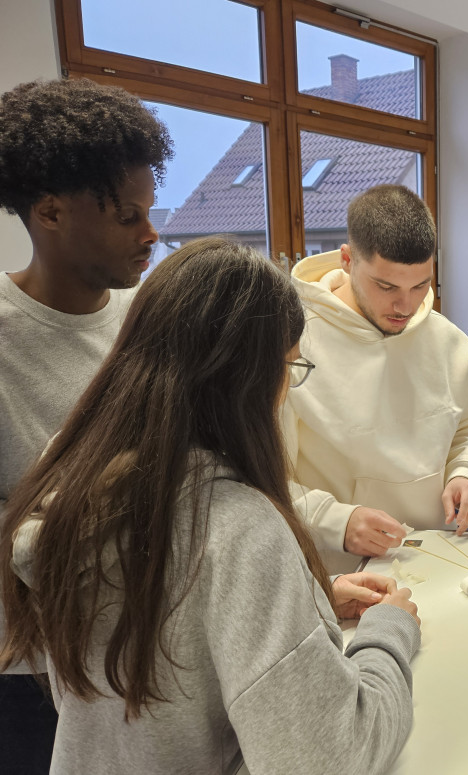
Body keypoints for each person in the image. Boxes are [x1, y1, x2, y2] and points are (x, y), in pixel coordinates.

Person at [0, 237, 422, 773]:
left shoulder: (76, 476)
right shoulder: (238, 527)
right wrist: (388, 632)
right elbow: (331, 756)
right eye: (289, 368)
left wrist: (302, 602)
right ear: (248, 379)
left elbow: (170, 625)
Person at [0, 77, 171, 774]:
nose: (150, 234)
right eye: (128, 216)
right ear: (50, 212)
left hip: (142, 648)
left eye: (149, 211)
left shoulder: (146, 323)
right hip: (31, 673)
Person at [284, 184, 468, 571]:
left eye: (421, 285)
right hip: (340, 570)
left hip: (438, 557)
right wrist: (335, 522)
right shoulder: (292, 346)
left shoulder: (451, 343)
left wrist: (466, 473)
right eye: (386, 286)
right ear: (347, 260)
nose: (405, 306)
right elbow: (264, 476)